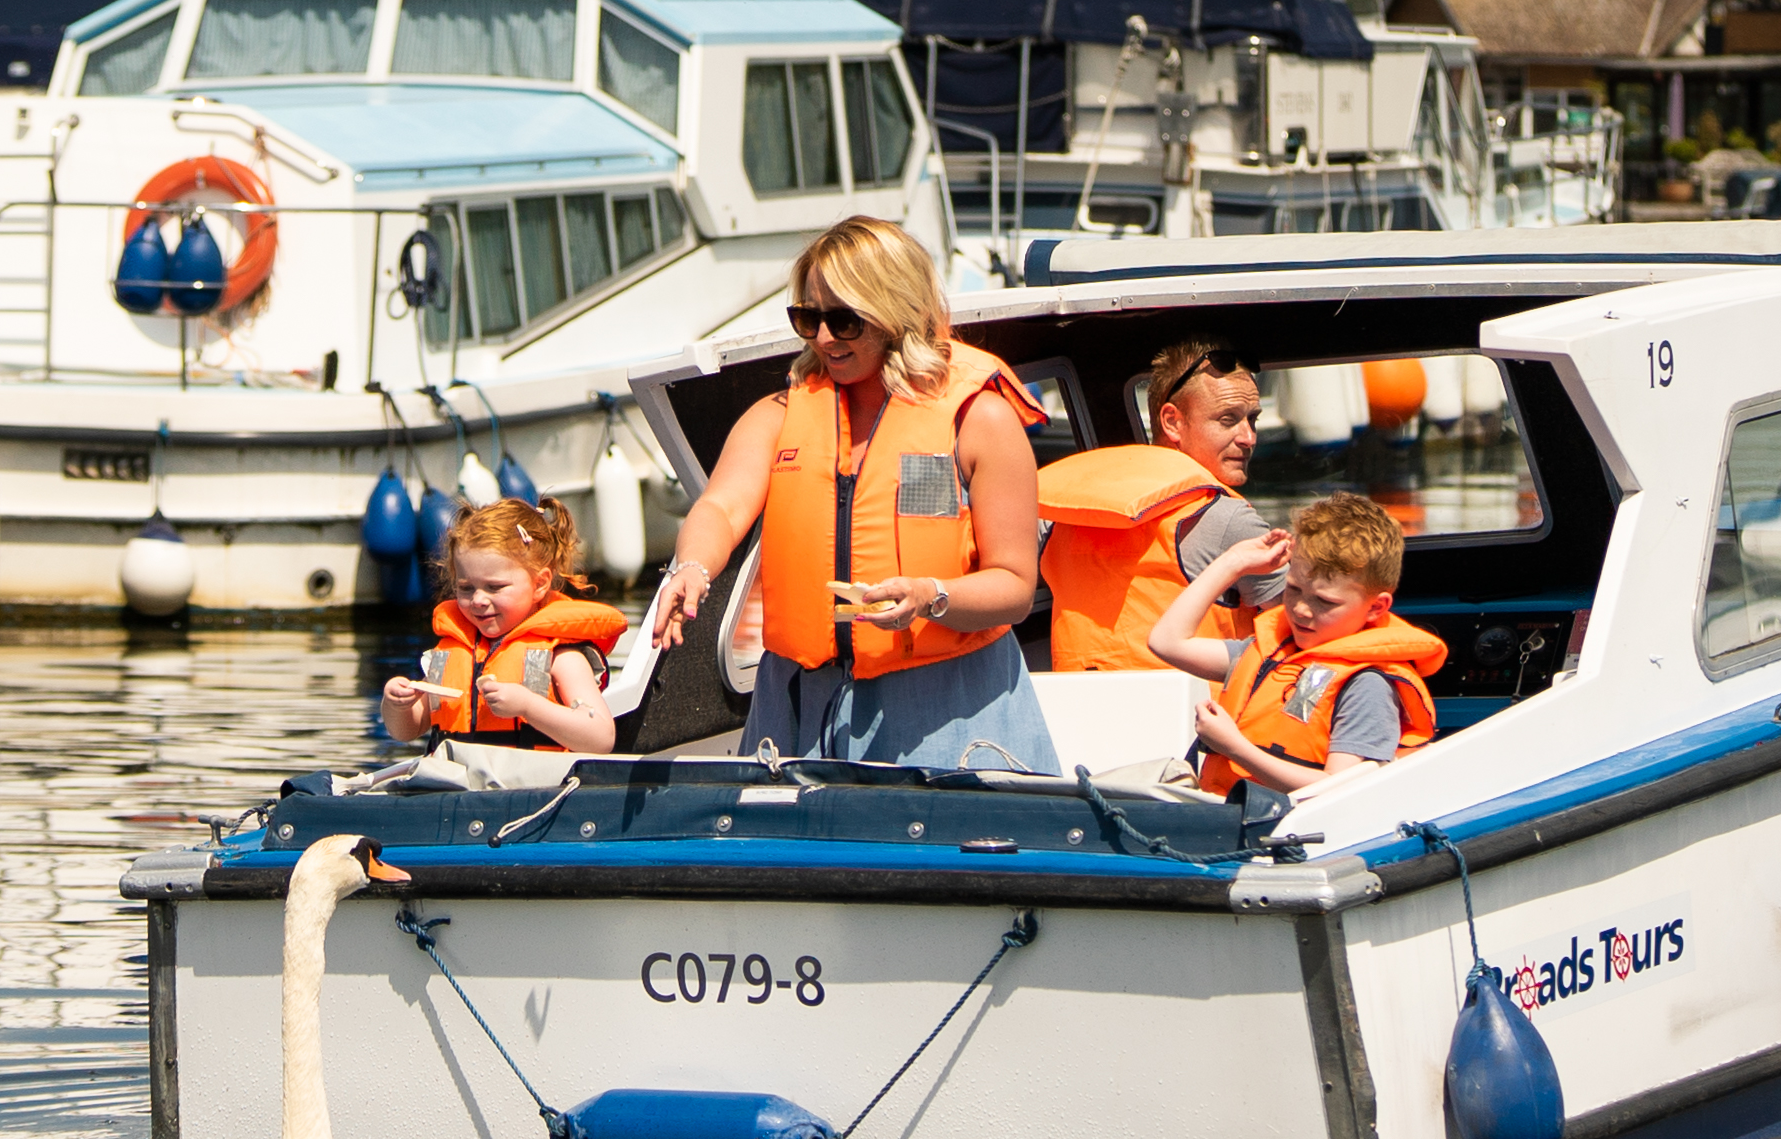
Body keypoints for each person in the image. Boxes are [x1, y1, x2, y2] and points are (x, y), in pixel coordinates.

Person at [643, 215, 1056, 770]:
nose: (823, 338)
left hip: (947, 703)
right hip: (797, 703)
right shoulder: (780, 416)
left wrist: (930, 596)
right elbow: (722, 505)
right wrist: (691, 567)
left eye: (843, 321)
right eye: (807, 318)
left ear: (896, 313)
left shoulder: (979, 420)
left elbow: (1014, 586)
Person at [1147, 493, 1448, 799]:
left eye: (1325, 601)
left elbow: (1342, 789)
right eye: (1293, 589)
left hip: (1295, 837)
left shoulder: (1367, 686)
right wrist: (1233, 563)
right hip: (1228, 820)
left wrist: (1234, 748)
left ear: (1376, 607)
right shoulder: (1268, 651)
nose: (1302, 609)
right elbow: (1167, 642)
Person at [1033, 335, 1284, 671]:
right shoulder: (1229, 520)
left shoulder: (1058, 515)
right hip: (1196, 717)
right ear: (1171, 422)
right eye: (1228, 420)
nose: (1249, 437)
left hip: (1083, 715)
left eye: (1251, 419)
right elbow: (1307, 628)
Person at [382, 498, 627, 753]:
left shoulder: (561, 656)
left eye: (495, 587)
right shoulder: (450, 651)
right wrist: (396, 705)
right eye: (466, 588)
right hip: (457, 786)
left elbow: (601, 738)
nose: (478, 600)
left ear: (540, 584)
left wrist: (528, 707)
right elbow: (406, 731)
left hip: (534, 789)